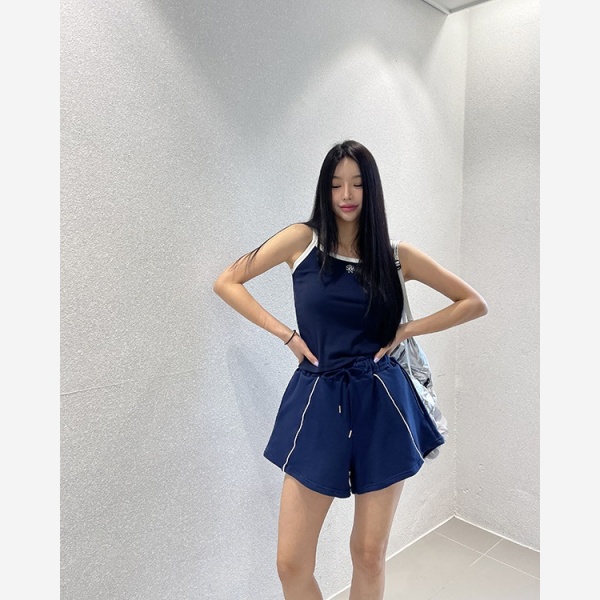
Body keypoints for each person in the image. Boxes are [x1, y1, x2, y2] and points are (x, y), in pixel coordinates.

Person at [213, 139, 488, 600]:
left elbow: (472, 303)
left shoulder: (395, 255)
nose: (346, 194)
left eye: (357, 184)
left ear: (371, 190)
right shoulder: (302, 241)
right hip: (318, 397)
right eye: (336, 183)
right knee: (290, 563)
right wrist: (287, 336)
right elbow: (228, 281)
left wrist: (406, 329)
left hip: (382, 401)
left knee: (368, 553)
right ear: (325, 188)